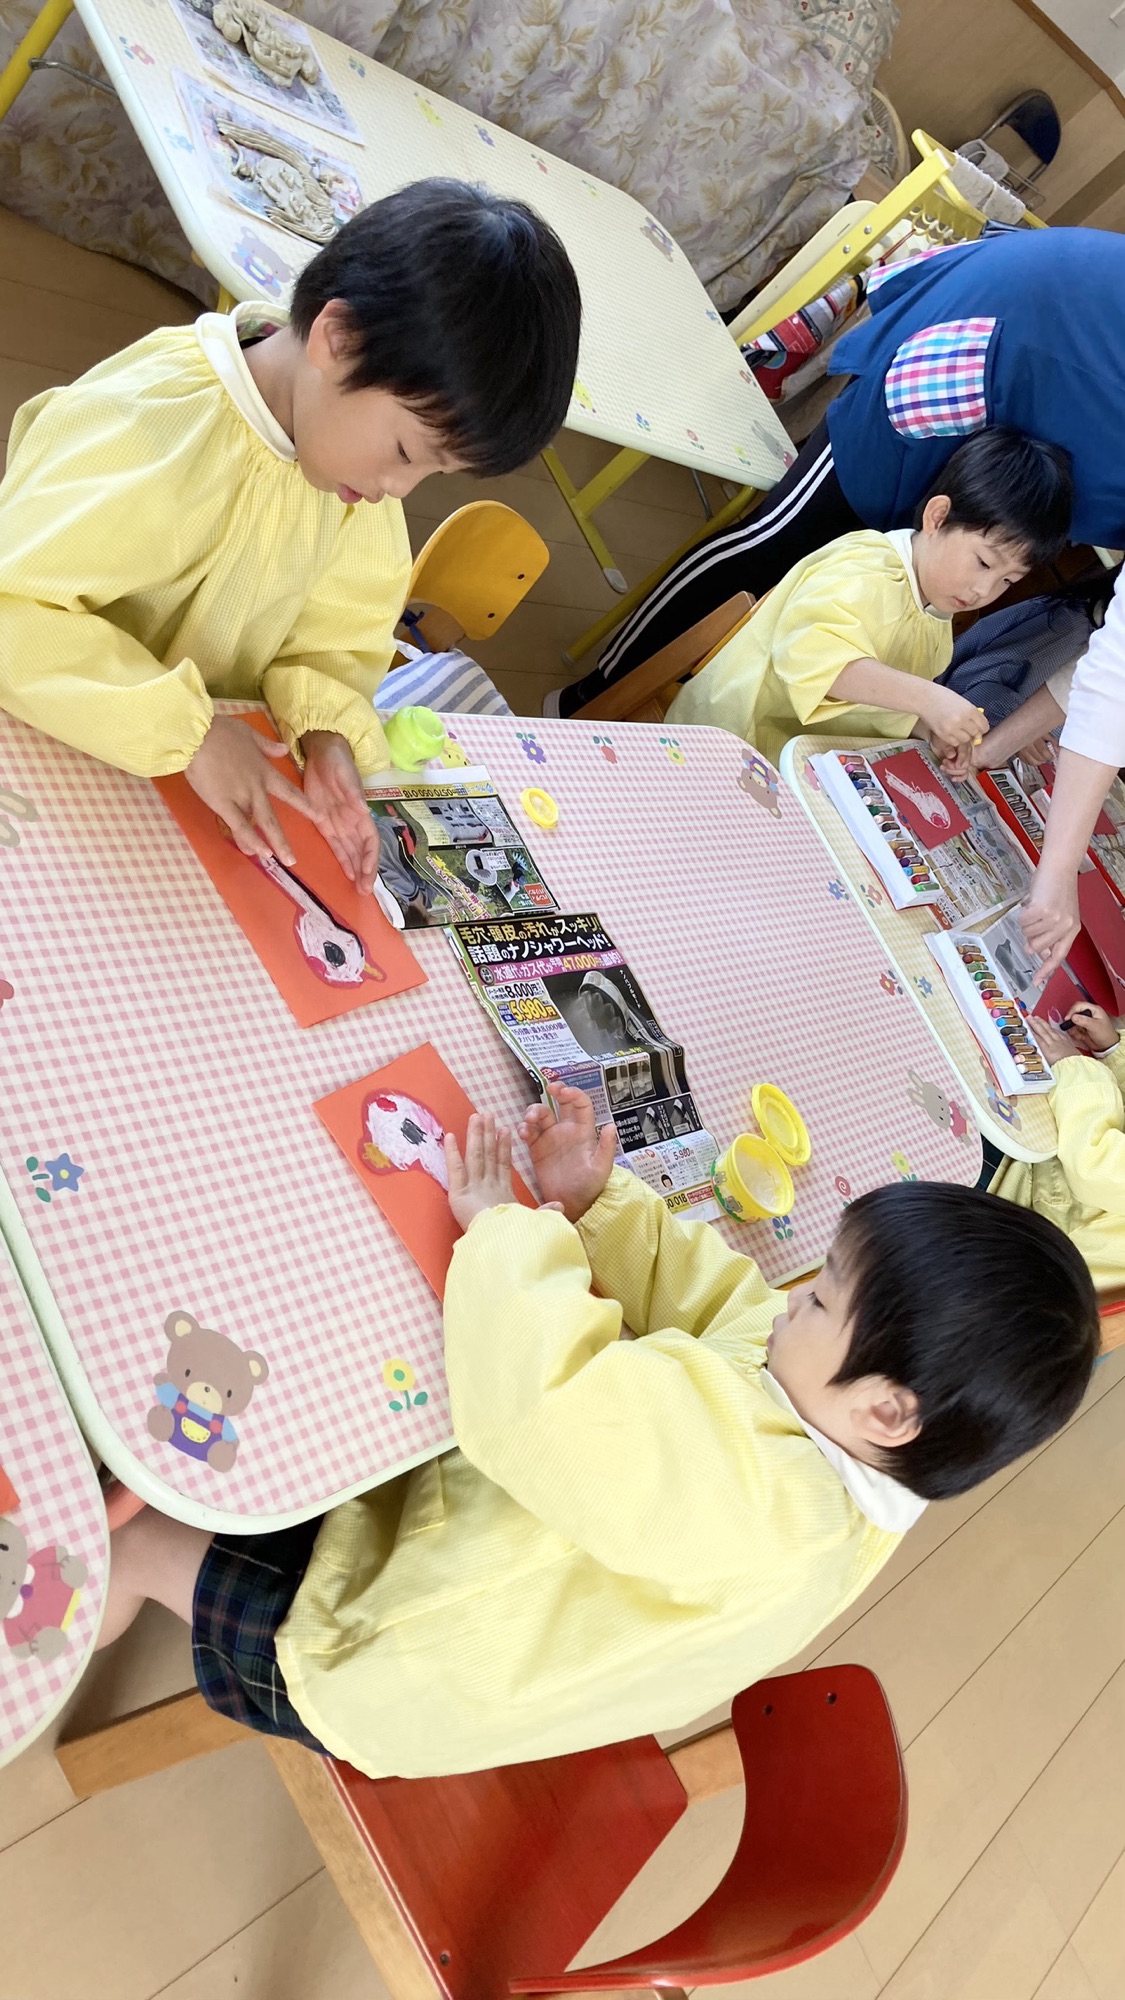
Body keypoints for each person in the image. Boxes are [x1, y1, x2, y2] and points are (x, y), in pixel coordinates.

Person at [97, 1087, 1099, 1779]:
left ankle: (42, 1632)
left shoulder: (768, 1502)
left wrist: (508, 1222)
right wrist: (598, 1206)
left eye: (825, 1297)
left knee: (133, 1527)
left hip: (369, 1650)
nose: (798, 1299)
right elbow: (727, 1308)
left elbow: (539, 1402)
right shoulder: (852, 1424)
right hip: (442, 1557)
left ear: (886, 1407)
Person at [0, 179, 580, 892]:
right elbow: (15, 610)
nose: (400, 490)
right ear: (339, 339)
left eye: (437, 471)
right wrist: (192, 733)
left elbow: (337, 638)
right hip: (47, 740)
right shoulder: (149, 425)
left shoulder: (345, 465)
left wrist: (326, 731)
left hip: (187, 776)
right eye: (406, 452)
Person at [550, 226, 1125, 720]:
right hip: (993, 339)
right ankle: (595, 693)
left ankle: (683, 694)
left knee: (878, 594)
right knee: (772, 544)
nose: (984, 590)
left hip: (1047, 392)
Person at [662, 430, 1072, 765]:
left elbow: (879, 700)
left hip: (793, 750)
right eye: (984, 563)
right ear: (938, 517)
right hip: (727, 736)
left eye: (1008, 581)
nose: (985, 590)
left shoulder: (936, 608)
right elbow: (816, 660)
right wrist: (930, 699)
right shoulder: (868, 570)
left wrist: (930, 729)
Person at [990, 1005, 1125, 1296]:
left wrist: (1075, 1065)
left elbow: (1096, 1165)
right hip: (1036, 1163)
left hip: (1010, 1208)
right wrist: (1111, 1051)